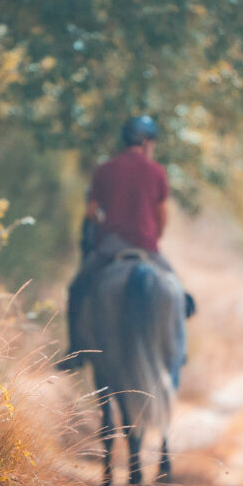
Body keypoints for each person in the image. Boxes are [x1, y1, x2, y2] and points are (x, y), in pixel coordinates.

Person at [57, 115, 192, 371]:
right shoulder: (156, 171)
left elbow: (92, 212)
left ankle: (75, 352)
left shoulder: (105, 169)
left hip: (110, 247)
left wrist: (105, 220)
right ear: (145, 142)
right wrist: (154, 235)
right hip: (147, 248)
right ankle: (178, 351)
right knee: (180, 296)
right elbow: (162, 215)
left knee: (76, 290)